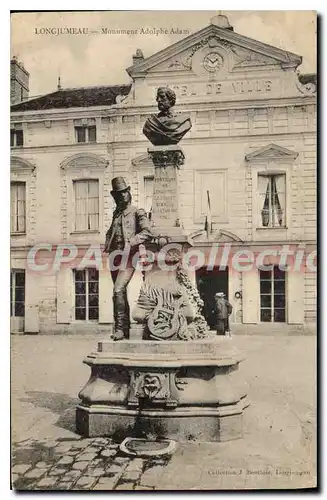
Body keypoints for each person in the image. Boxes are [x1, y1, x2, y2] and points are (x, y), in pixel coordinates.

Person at [104, 177, 153, 341]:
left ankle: (119, 329)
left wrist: (131, 242)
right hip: (114, 256)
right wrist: (107, 244)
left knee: (118, 289)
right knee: (119, 293)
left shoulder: (137, 212)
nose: (123, 196)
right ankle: (123, 330)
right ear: (115, 197)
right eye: (119, 194)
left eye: (125, 192)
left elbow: (147, 232)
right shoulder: (116, 214)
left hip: (129, 257)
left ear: (129, 193)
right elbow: (111, 231)